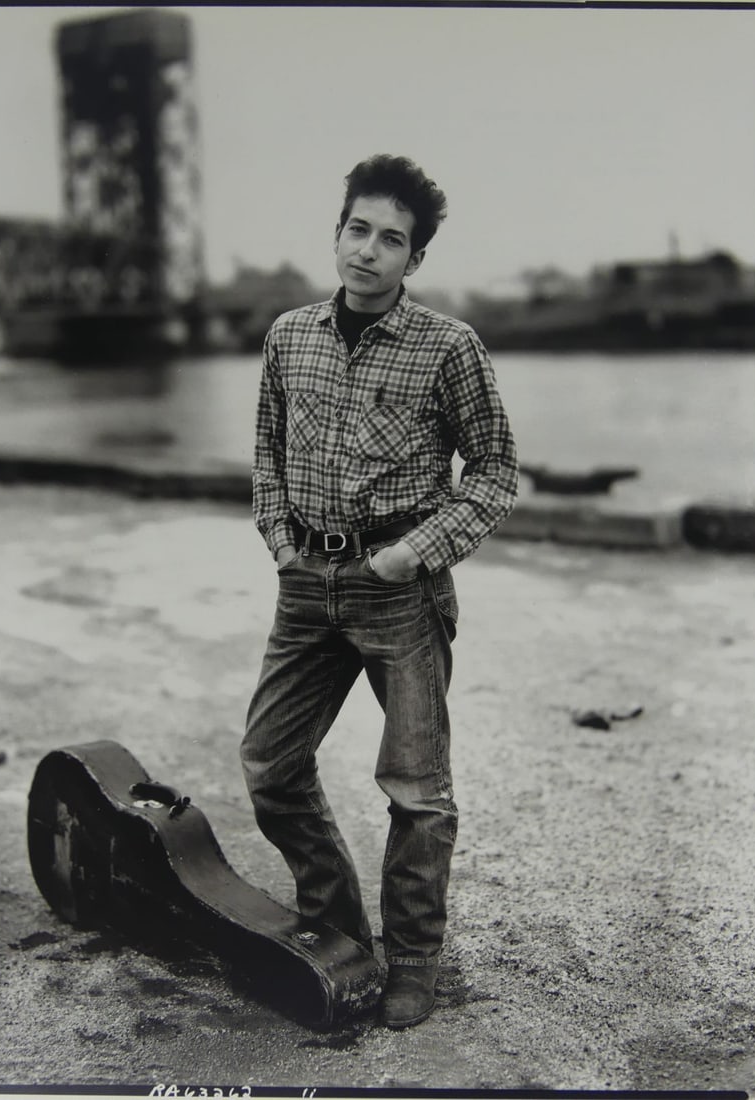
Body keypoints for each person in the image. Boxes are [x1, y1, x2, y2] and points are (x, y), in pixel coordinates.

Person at [241, 154, 518, 1029]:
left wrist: (413, 556)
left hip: (399, 591)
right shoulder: (288, 336)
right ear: (336, 233)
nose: (367, 251)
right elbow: (265, 453)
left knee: (415, 789)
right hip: (305, 585)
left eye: (390, 240)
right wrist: (282, 541)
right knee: (270, 768)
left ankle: (415, 960)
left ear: (414, 260)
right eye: (356, 230)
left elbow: (496, 469)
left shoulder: (449, 348)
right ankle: (334, 920)